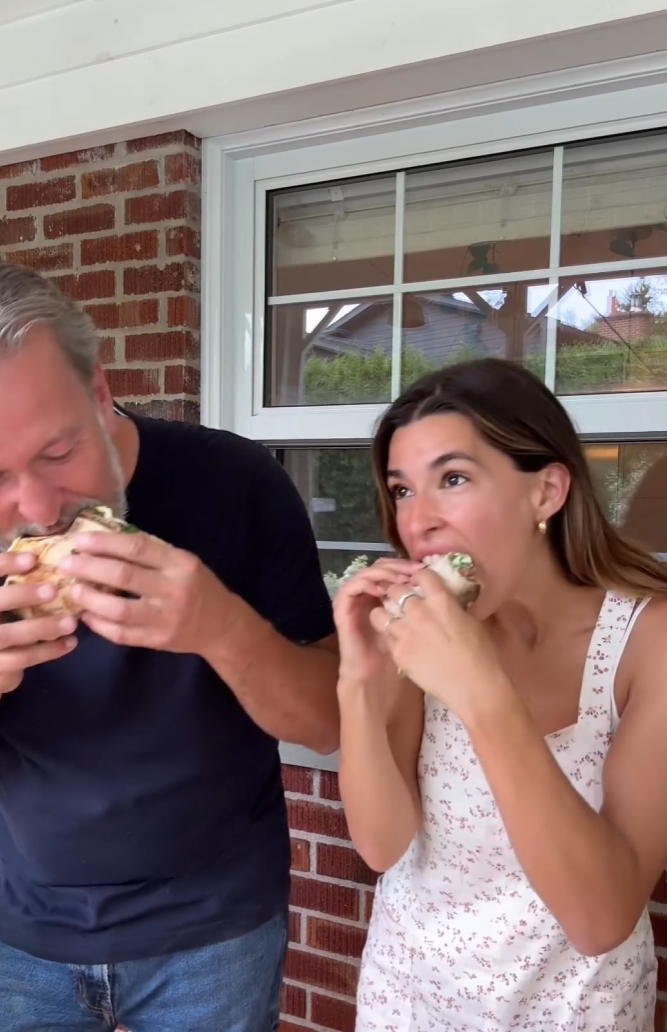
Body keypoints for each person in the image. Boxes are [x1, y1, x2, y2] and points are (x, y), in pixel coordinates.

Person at [0, 262, 339, 1032]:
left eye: (57, 453)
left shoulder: (236, 482)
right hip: (16, 934)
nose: (38, 508)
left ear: (98, 391)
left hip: (214, 928)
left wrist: (220, 625)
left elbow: (328, 721)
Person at [334, 358, 667, 1032]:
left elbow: (601, 917)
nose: (416, 521)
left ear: (544, 491)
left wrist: (479, 692)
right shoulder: (414, 629)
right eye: (401, 490)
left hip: (574, 1009)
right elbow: (381, 844)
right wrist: (359, 680)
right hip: (409, 997)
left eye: (451, 479)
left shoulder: (646, 639)